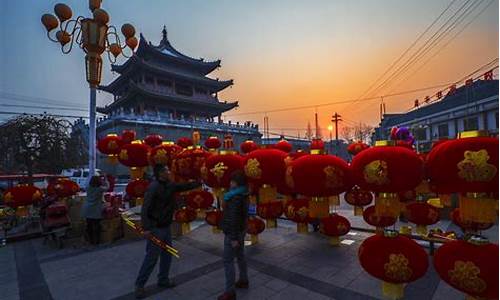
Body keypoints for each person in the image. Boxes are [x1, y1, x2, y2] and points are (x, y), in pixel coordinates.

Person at [135, 164, 201, 299]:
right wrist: (146, 228)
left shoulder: (170, 185)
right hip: (155, 228)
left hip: (166, 227)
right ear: (160, 173)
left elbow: (183, 187)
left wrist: (198, 182)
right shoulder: (153, 187)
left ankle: (163, 279)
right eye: (166, 170)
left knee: (167, 255)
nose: (169, 172)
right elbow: (145, 208)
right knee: (151, 257)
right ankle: (139, 285)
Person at [218, 170, 249, 300]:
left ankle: (230, 292)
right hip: (240, 230)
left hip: (233, 232)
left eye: (232, 181)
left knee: (228, 260)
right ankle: (243, 279)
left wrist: (233, 237)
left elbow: (233, 218)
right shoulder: (243, 193)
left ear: (236, 183)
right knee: (240, 256)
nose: (230, 183)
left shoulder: (234, 197)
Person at [81, 175, 109, 247]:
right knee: (96, 225)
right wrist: (105, 180)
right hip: (95, 209)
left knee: (89, 225)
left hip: (87, 208)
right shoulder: (100, 189)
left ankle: (91, 241)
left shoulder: (88, 188)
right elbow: (107, 187)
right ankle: (97, 241)